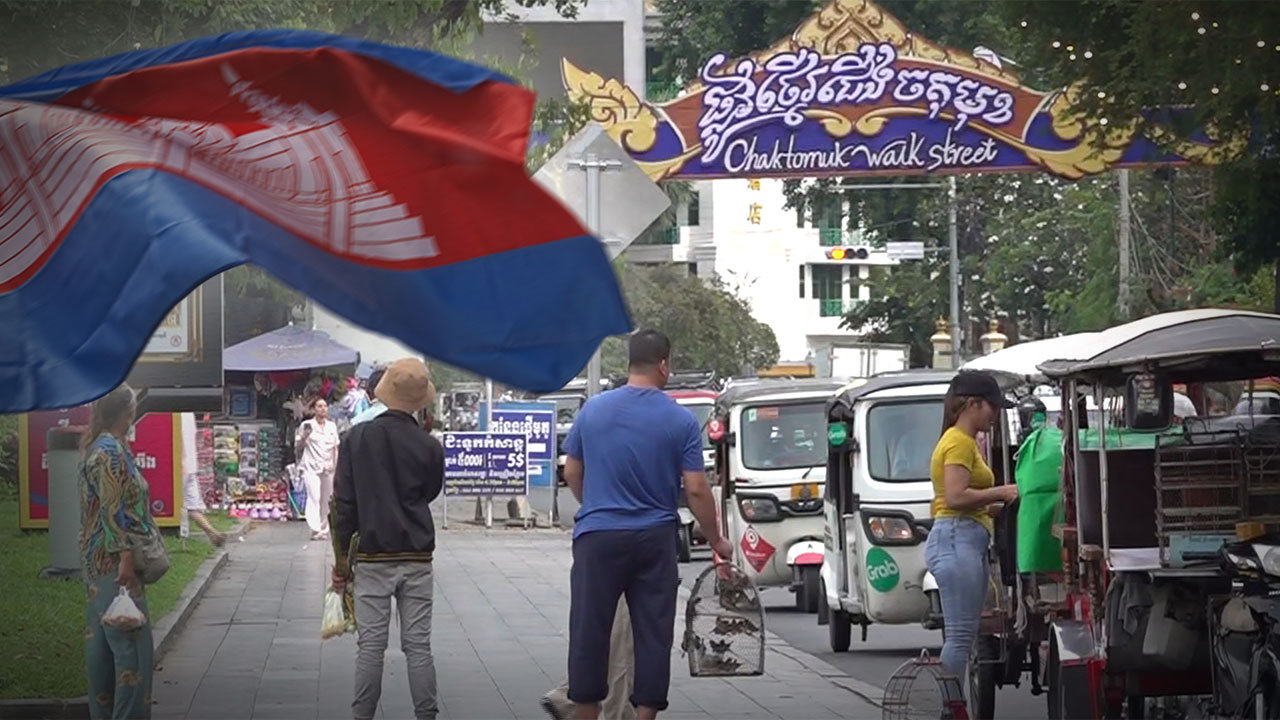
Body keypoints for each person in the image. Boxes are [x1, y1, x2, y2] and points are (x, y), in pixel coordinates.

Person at [563, 329, 733, 720]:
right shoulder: (680, 419)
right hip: (654, 539)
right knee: (653, 633)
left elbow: (572, 471)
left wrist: (595, 505)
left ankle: (586, 714)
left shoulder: (593, 410)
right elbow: (696, 489)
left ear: (630, 363)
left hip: (597, 538)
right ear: (663, 364)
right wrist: (716, 540)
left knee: (589, 630)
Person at [332, 358, 444, 720]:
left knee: (370, 648)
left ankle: (362, 715)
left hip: (373, 556)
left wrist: (341, 561)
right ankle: (426, 714)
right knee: (419, 646)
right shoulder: (429, 446)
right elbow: (429, 492)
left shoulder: (356, 439)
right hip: (417, 556)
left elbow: (344, 504)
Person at [925, 370, 1019, 676]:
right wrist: (1002, 491)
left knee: (964, 635)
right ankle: (951, 701)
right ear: (973, 404)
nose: (995, 414)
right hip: (957, 540)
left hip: (961, 538)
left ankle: (953, 700)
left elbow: (959, 501)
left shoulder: (962, 440)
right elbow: (955, 497)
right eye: (992, 406)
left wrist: (992, 508)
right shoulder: (959, 443)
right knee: (960, 637)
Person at [79, 383, 157, 719]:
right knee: (132, 655)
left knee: (101, 650)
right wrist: (125, 556)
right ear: (129, 412)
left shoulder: (96, 447)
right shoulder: (110, 452)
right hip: (116, 564)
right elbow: (113, 510)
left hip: (96, 563)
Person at [296, 398, 339, 540]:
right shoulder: (306, 425)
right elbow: (298, 447)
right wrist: (304, 437)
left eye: (325, 406)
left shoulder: (332, 426)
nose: (323, 409)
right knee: (314, 496)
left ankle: (324, 528)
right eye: (319, 406)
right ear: (314, 409)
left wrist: (336, 466)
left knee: (326, 499)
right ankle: (315, 528)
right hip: (311, 466)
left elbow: (335, 448)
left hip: (328, 467)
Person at [180, 413, 225, 547]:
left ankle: (209, 534)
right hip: (191, 467)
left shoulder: (177, 416)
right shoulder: (189, 416)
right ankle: (212, 533)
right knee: (193, 506)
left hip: (181, 467)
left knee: (182, 505)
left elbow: (179, 440)